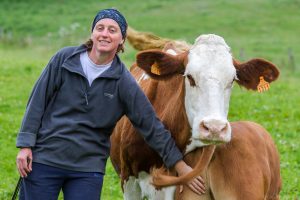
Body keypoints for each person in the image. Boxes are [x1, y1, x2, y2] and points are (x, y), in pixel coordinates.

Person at [16, 8, 205, 200]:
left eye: (112, 30)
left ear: (121, 39)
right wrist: (25, 145)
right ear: (93, 33)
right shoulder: (64, 60)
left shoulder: (124, 82)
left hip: (87, 170)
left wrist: (180, 166)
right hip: (45, 160)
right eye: (100, 28)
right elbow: (37, 102)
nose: (105, 34)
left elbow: (151, 125)